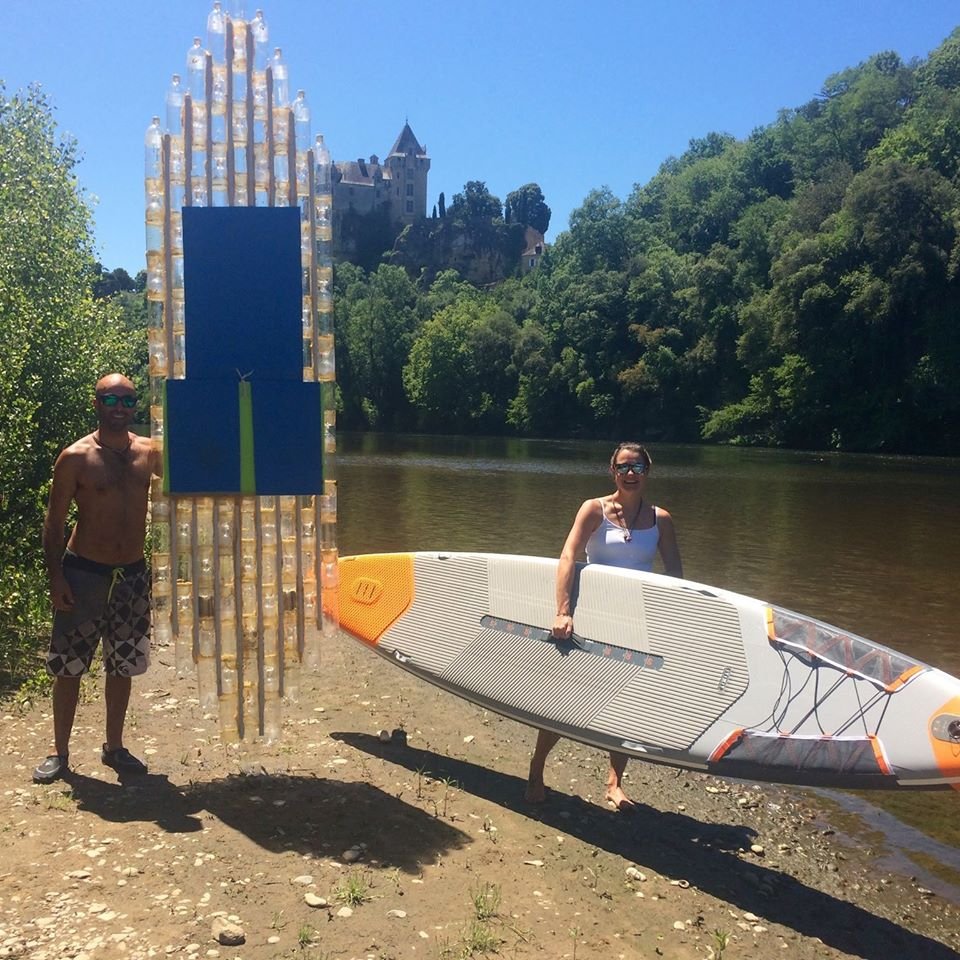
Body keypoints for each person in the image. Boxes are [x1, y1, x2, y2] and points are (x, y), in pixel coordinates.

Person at [525, 441, 683, 811]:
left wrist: (671, 624)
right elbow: (568, 556)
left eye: (637, 467)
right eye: (623, 467)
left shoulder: (660, 519)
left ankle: (614, 783)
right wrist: (563, 610)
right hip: (591, 614)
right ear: (612, 471)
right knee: (563, 695)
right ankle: (536, 769)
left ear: (647, 471)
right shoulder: (593, 509)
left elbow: (675, 574)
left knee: (624, 702)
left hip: (634, 620)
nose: (630, 474)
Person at [33, 374, 163, 784]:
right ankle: (59, 751)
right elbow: (54, 524)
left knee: (122, 663)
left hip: (132, 574)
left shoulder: (150, 452)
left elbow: (198, 473)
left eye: (127, 400)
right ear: (96, 404)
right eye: (110, 399)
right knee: (69, 666)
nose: (119, 407)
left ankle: (115, 746)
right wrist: (56, 577)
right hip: (84, 572)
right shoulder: (75, 457)